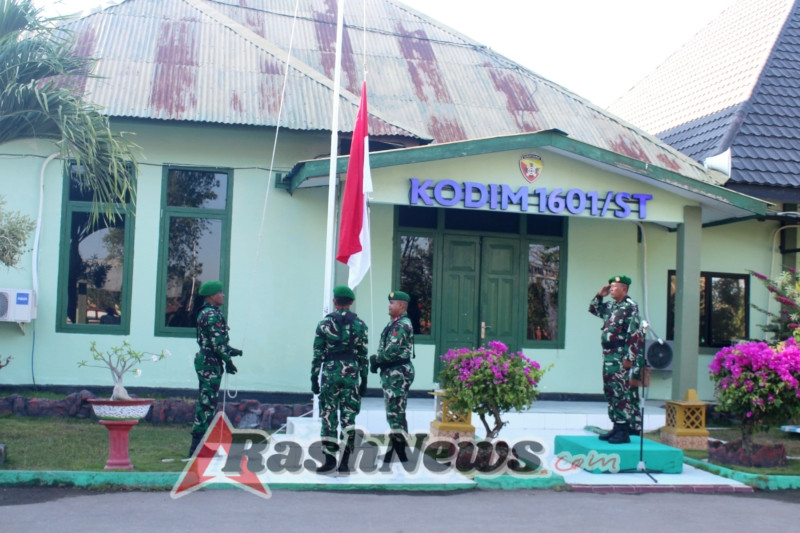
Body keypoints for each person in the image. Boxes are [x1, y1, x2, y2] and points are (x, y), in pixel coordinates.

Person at [311, 285, 369, 475]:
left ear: (335, 301)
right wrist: (365, 379)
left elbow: (317, 354)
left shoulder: (324, 324)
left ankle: (329, 460)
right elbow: (363, 355)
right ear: (351, 302)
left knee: (328, 416)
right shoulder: (360, 325)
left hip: (330, 374)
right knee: (348, 418)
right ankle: (344, 461)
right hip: (351, 375)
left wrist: (314, 377)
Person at [188, 280, 243, 457]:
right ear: (212, 296)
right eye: (220, 292)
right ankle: (198, 448)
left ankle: (200, 446)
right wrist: (228, 361)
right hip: (210, 363)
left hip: (208, 360)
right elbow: (217, 344)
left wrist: (231, 351)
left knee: (208, 402)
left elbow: (214, 341)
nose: (223, 295)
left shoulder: (208, 312)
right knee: (207, 404)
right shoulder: (212, 315)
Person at [588, 275, 644, 444]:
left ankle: (623, 430)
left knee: (621, 391)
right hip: (609, 355)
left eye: (614, 286)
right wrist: (599, 295)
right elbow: (593, 309)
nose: (611, 289)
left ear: (624, 289)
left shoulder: (630, 307)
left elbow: (635, 334)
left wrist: (630, 358)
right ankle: (616, 425)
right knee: (611, 390)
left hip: (620, 355)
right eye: (610, 286)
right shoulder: (612, 306)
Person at [370, 290, 415, 464]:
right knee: (397, 413)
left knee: (394, 413)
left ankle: (397, 453)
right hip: (394, 372)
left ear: (402, 306)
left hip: (397, 373)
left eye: (392, 303)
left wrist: (376, 360)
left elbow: (392, 350)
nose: (389, 306)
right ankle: (399, 452)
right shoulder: (396, 323)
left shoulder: (401, 325)